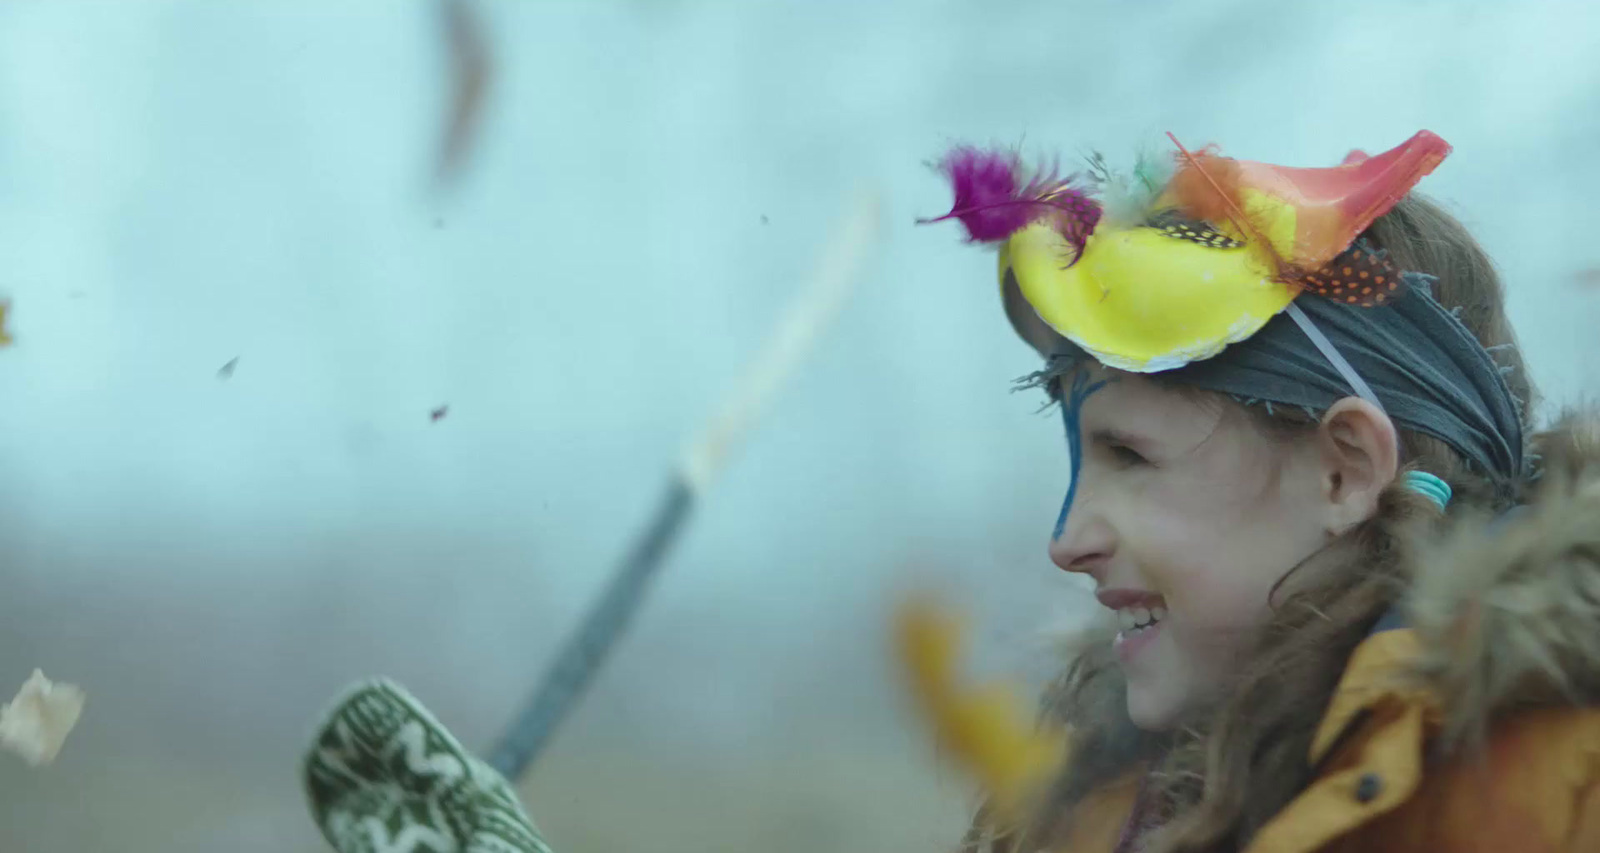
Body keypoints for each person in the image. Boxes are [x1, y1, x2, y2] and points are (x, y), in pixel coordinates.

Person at [920, 131, 1600, 852]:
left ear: (1344, 470)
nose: (1067, 541)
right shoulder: (1094, 807)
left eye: (1130, 455)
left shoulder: (1561, 789)